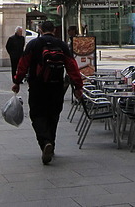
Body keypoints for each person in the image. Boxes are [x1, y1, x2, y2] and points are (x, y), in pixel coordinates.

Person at [12, 20, 84, 165]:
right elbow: (72, 67)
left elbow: (23, 64)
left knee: (37, 115)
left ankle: (45, 142)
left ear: (40, 29)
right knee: (53, 115)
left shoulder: (33, 45)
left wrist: (17, 81)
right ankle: (51, 143)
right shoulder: (62, 45)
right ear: (54, 30)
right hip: (56, 87)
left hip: (37, 86)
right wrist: (78, 86)